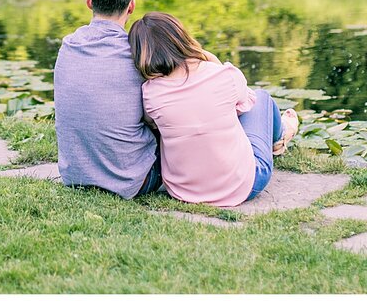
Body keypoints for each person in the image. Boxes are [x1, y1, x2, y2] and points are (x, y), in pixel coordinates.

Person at [128, 12, 299, 207]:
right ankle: (281, 136)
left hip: (182, 190)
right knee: (262, 98)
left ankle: (279, 138)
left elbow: (152, 123)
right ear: (181, 37)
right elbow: (246, 104)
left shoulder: (150, 94)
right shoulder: (221, 74)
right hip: (245, 185)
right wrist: (207, 58)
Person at [54, 0, 161, 199]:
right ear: (131, 7)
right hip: (132, 180)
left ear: (89, 2)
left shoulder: (68, 46)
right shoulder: (135, 53)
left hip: (75, 176)